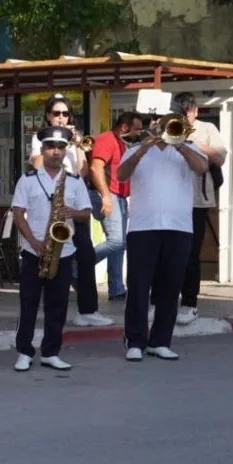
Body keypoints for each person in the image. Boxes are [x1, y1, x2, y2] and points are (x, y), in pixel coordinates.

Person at [117, 105, 208, 361]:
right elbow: (121, 176)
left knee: (171, 285)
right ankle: (135, 341)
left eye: (167, 120)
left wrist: (178, 143)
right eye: (156, 119)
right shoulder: (135, 147)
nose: (160, 124)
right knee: (138, 285)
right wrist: (143, 147)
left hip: (178, 226)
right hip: (143, 226)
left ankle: (160, 341)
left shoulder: (187, 146)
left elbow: (202, 167)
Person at [10, 126, 93, 372]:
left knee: (58, 305)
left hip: (64, 251)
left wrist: (72, 212)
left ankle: (51, 352)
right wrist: (34, 242)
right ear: (43, 150)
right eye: (50, 147)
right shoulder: (28, 179)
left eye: (60, 147)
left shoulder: (75, 182)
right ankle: (24, 351)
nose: (56, 152)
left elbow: (87, 215)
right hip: (33, 250)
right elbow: (17, 214)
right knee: (28, 304)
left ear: (65, 150)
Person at [30, 93, 111, 327]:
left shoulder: (75, 140)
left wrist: (77, 146)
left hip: (75, 203)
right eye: (56, 113)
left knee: (85, 256)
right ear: (48, 116)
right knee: (49, 257)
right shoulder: (40, 139)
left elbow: (83, 172)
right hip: (50, 204)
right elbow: (36, 165)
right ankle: (48, 307)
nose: (61, 118)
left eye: (65, 114)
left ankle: (88, 310)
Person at [175, 92, 227, 325]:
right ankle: (162, 300)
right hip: (172, 200)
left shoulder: (207, 129)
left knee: (191, 255)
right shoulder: (169, 125)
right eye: (180, 109)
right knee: (170, 254)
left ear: (195, 110)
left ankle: (189, 303)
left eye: (187, 109)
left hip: (197, 200)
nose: (185, 113)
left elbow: (220, 157)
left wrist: (194, 143)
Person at [87, 111, 143, 301]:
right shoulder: (106, 139)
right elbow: (95, 168)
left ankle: (117, 288)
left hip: (119, 196)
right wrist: (105, 196)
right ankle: (78, 266)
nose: (139, 133)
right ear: (125, 127)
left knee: (119, 246)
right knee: (117, 241)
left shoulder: (124, 143)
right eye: (136, 129)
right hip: (108, 194)